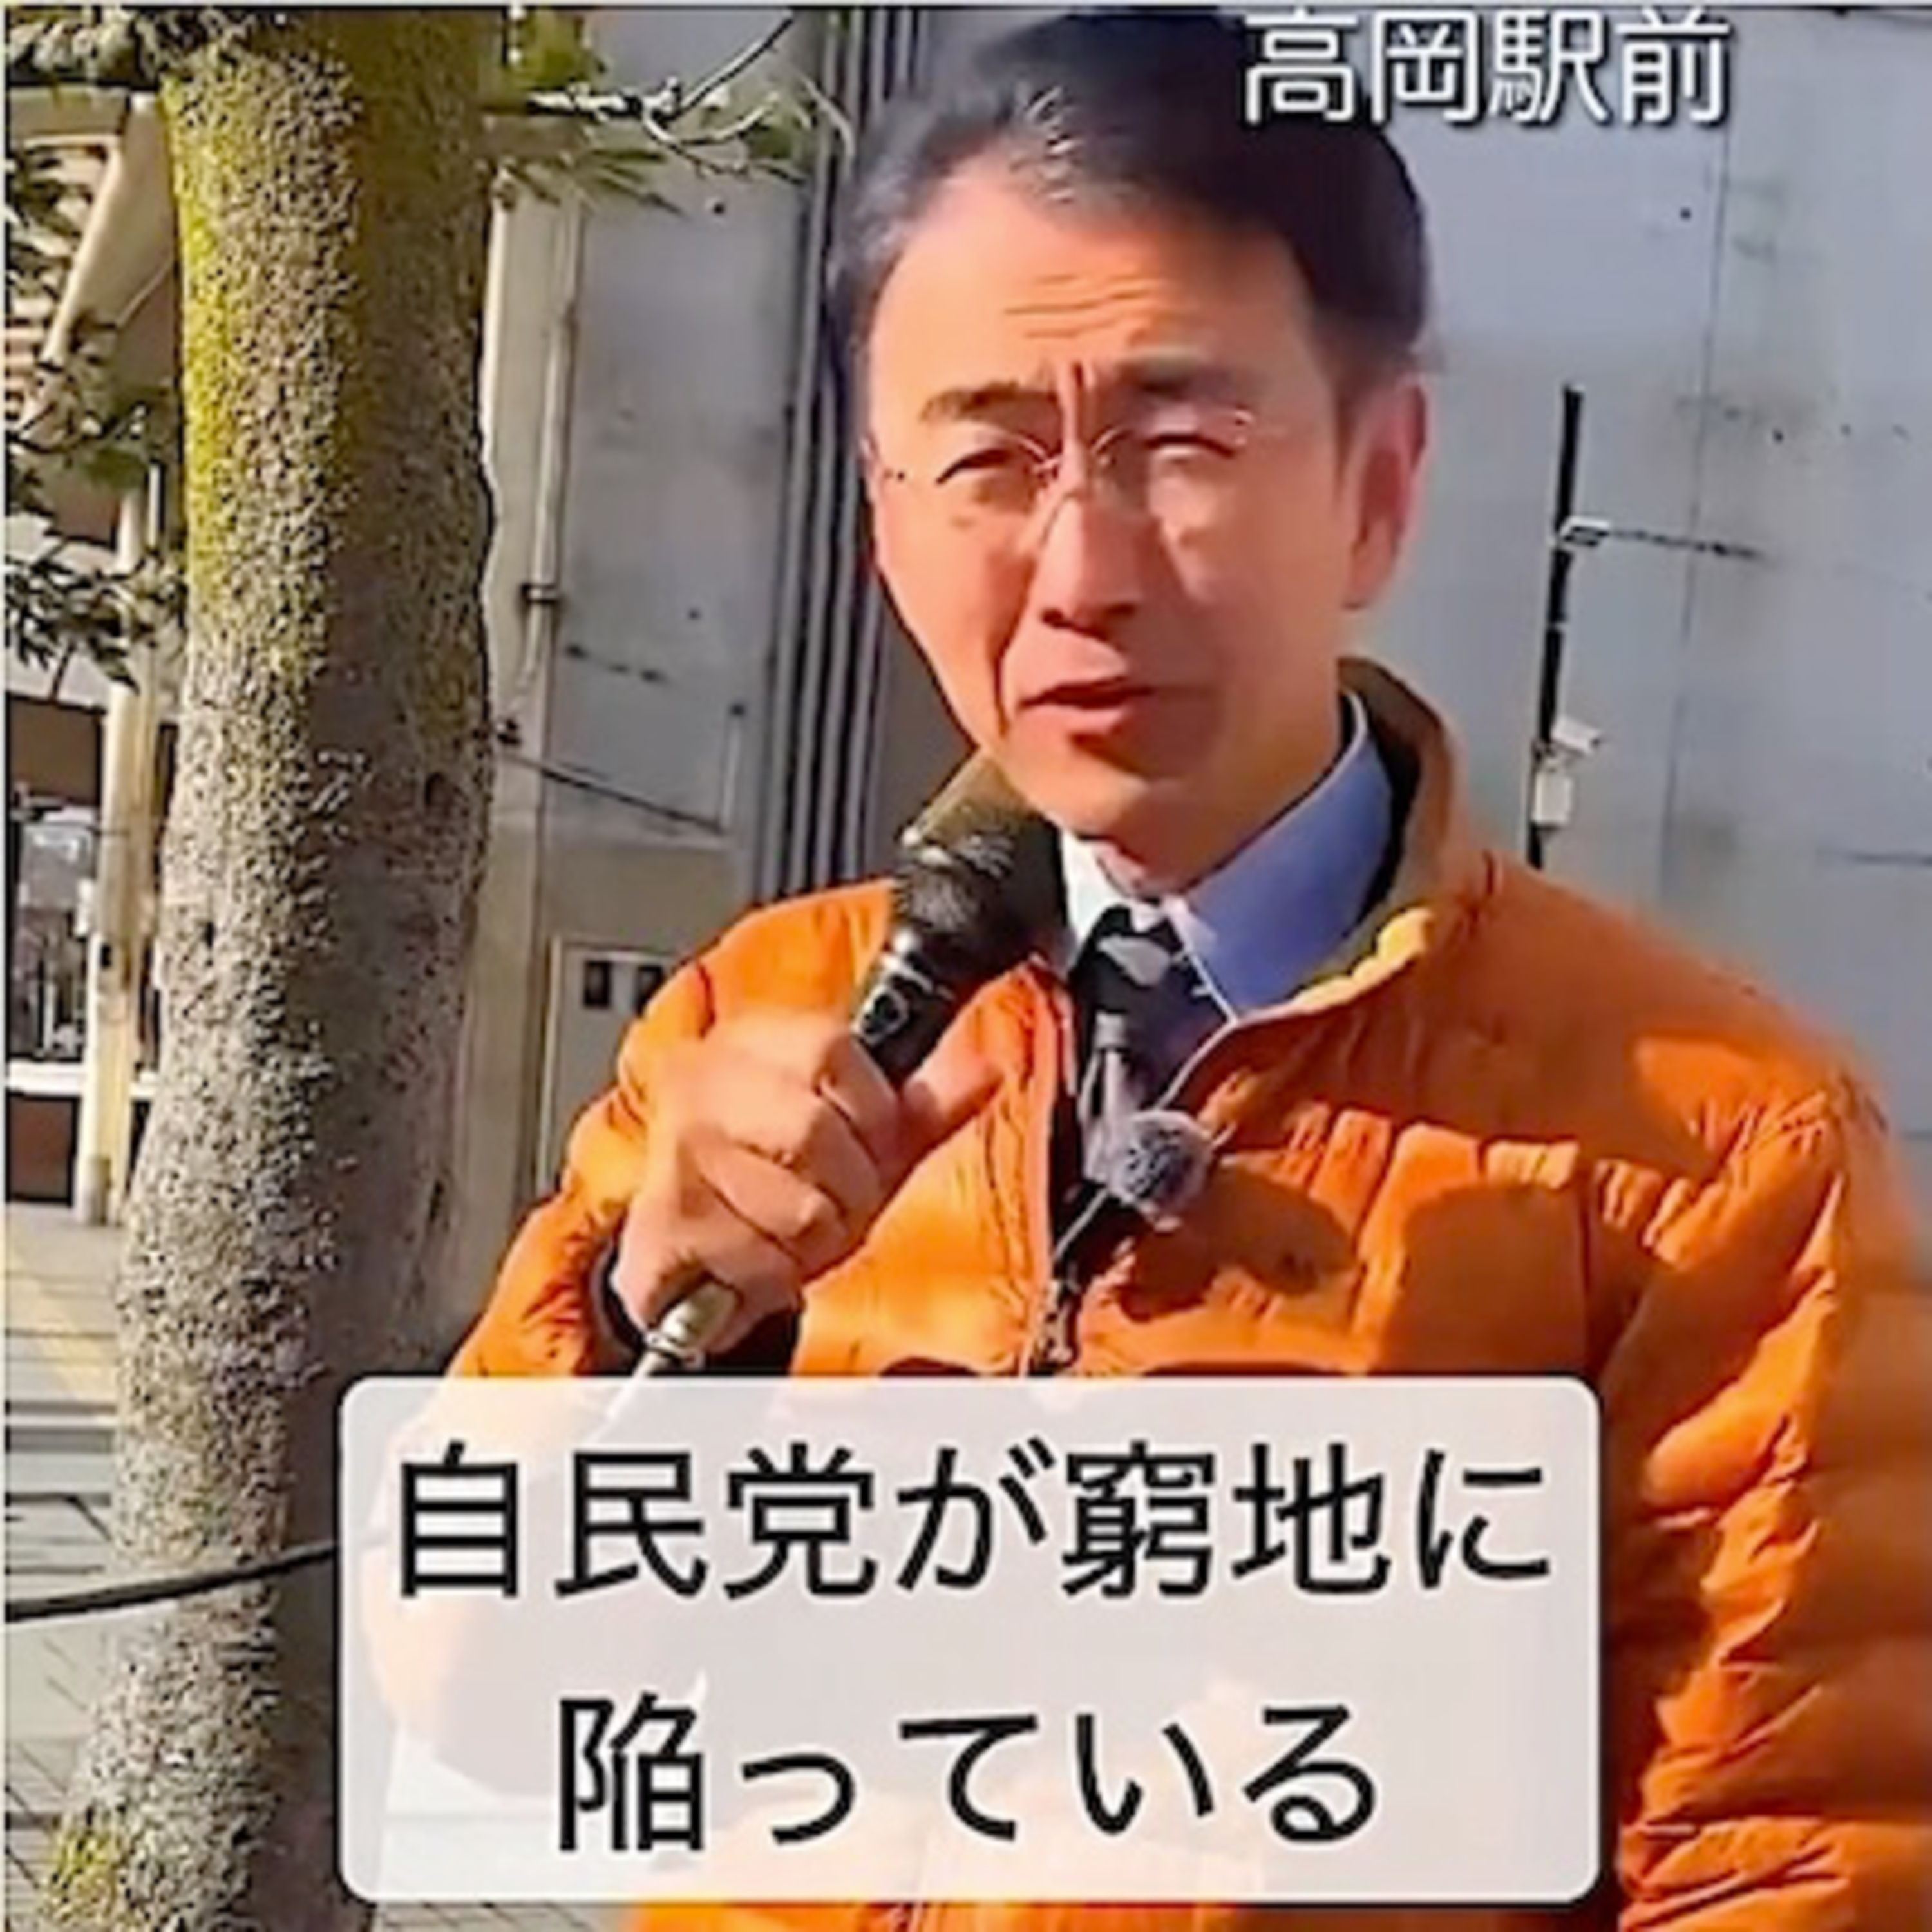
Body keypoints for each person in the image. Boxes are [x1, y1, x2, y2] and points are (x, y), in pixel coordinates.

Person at [450, 11, 1931, 1929]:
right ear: (885, 522)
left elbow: (1784, 1867)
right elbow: (484, 1700)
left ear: (1380, 483)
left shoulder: (1720, 1149)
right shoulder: (765, 1016)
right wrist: (648, 1324)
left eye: (1182, 442)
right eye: (986, 458)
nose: (1085, 571)